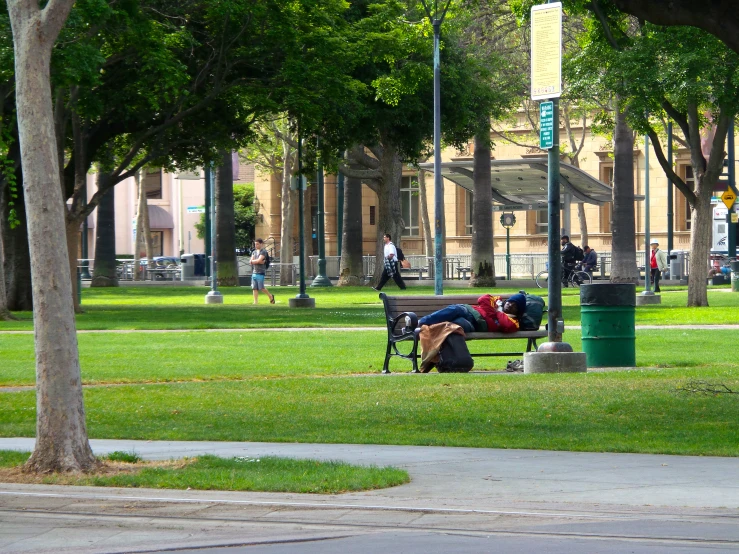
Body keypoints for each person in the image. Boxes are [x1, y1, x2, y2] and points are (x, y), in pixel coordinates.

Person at [417, 293, 526, 334]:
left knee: (452, 326)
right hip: (469, 312)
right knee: (455, 310)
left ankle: (423, 330)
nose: (510, 305)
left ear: (518, 311)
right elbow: (483, 299)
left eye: (515, 306)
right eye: (510, 302)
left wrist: (496, 311)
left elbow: (506, 325)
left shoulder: (514, 322)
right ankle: (419, 324)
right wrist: (495, 313)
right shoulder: (497, 301)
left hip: (473, 325)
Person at [249, 238, 275, 305]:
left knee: (261, 288)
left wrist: (256, 261)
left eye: (257, 244)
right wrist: (257, 261)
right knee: (254, 288)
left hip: (261, 272)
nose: (256, 245)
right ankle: (255, 302)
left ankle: (270, 296)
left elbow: (258, 260)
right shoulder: (254, 252)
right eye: (255, 244)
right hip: (254, 272)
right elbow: (251, 261)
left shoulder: (263, 252)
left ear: (261, 244)